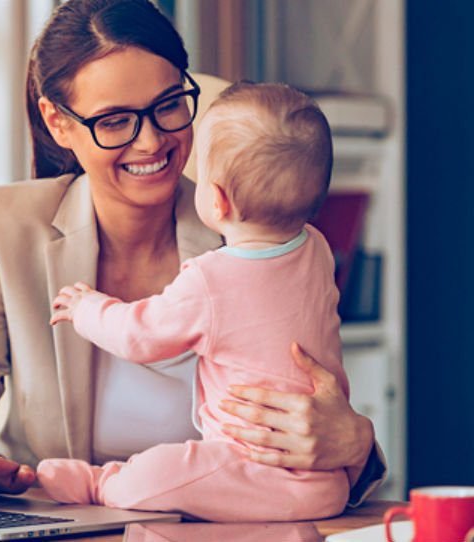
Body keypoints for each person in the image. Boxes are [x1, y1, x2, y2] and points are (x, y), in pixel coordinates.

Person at [0, 0, 385, 508]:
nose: (150, 141)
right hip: (61, 523)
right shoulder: (6, 228)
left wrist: (355, 442)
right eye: (115, 120)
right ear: (58, 123)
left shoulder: (256, 233)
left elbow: (326, 429)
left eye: (168, 106)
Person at [37, 81, 349, 521]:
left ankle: (100, 482)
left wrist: (86, 308)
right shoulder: (316, 249)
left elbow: (139, 335)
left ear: (216, 200)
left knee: (161, 470)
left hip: (247, 464)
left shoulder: (211, 279)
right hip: (325, 483)